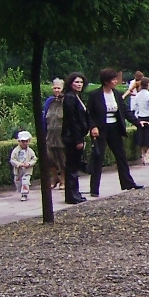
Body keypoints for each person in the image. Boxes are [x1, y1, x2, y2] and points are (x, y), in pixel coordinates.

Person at [88, 68, 144, 196]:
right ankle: (94, 189)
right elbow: (89, 113)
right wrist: (93, 127)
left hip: (114, 128)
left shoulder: (117, 94)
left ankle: (128, 183)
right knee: (98, 157)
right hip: (100, 129)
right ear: (106, 81)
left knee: (121, 156)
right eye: (113, 79)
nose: (116, 81)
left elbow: (124, 111)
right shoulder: (95, 95)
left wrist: (137, 122)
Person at [60, 72, 90, 204]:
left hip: (76, 135)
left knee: (74, 167)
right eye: (76, 82)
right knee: (71, 167)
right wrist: (78, 139)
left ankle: (75, 193)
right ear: (70, 83)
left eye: (81, 82)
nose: (79, 84)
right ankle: (71, 195)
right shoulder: (70, 98)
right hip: (72, 137)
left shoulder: (76, 97)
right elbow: (72, 121)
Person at [41, 78, 66, 189]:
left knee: (62, 158)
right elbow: (44, 117)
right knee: (49, 157)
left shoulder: (65, 101)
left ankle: (63, 179)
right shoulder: (49, 101)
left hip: (61, 135)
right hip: (49, 134)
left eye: (58, 88)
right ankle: (55, 177)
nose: (56, 90)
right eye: (54, 88)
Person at [131, 77, 149, 165]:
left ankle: (143, 156)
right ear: (148, 85)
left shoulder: (137, 95)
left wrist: (136, 117)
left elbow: (134, 107)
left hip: (140, 118)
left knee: (142, 140)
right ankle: (147, 156)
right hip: (148, 118)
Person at [10, 130, 37, 200]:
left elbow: (34, 159)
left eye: (26, 141)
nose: (25, 143)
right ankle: (20, 190)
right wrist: (19, 164)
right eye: (23, 141)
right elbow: (12, 160)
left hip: (27, 170)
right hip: (18, 171)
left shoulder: (30, 151)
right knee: (18, 182)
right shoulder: (15, 151)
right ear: (19, 141)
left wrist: (29, 164)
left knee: (25, 182)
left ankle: (24, 194)